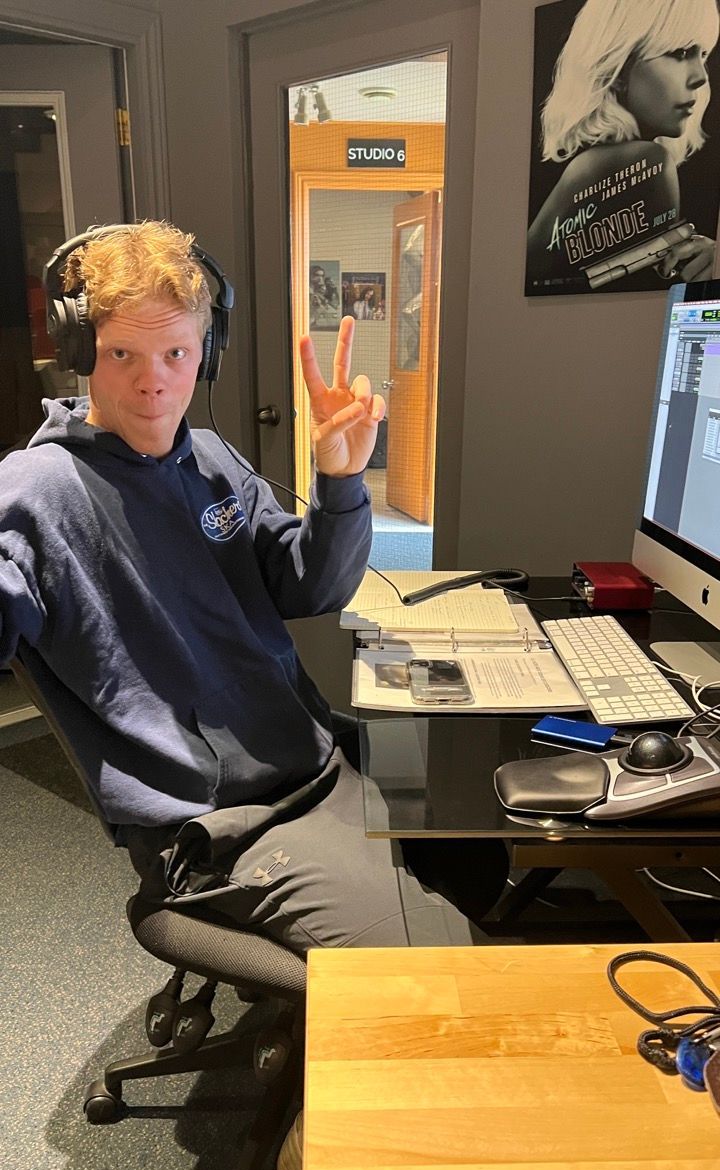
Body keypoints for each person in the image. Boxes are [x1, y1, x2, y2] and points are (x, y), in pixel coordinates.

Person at [0, 220, 502, 957]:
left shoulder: (209, 460)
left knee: (480, 846)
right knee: (434, 976)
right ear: (80, 350)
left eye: (175, 351)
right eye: (121, 354)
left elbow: (311, 587)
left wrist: (339, 482)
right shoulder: (36, 491)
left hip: (316, 761)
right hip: (223, 821)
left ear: (206, 351)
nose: (152, 379)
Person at [526, 0, 720, 291]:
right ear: (616, 69)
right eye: (680, 53)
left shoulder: (595, 163)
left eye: (702, 54)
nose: (701, 77)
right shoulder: (643, 161)